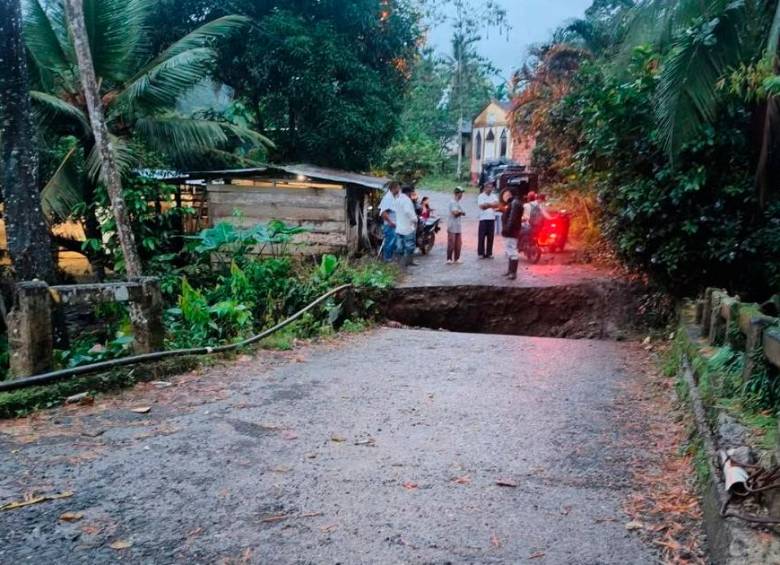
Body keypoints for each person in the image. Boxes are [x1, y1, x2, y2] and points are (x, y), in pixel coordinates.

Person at [501, 184, 525, 280]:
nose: (504, 196)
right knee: (509, 250)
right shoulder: (514, 203)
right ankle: (510, 271)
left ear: (511, 194)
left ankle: (513, 273)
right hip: (511, 230)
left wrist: (507, 229)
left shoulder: (515, 203)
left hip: (511, 231)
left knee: (512, 251)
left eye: (506, 194)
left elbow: (512, 218)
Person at [396, 186, 419, 267]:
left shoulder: (398, 200)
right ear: (408, 192)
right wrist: (415, 220)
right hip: (408, 227)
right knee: (409, 246)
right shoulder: (407, 200)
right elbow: (409, 212)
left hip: (399, 227)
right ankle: (406, 263)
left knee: (400, 246)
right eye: (411, 193)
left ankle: (401, 263)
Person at [477, 181, 500, 258]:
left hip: (491, 218)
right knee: (482, 236)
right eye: (489, 187)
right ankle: (481, 253)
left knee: (491, 237)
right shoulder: (481, 196)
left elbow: (497, 204)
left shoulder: (494, 196)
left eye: (491, 187)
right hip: (483, 219)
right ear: (485, 188)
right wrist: (491, 205)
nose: (490, 189)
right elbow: (482, 206)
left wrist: (488, 205)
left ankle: (489, 253)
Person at [379, 182, 400, 262]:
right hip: (390, 225)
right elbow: (383, 213)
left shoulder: (393, 197)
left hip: (394, 225)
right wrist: (391, 222)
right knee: (390, 242)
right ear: (394, 188)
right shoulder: (388, 198)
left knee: (394, 242)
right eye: (398, 188)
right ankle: (387, 259)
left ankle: (390, 258)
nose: (399, 190)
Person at [446, 187, 466, 264]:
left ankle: (457, 258)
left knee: (458, 243)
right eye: (461, 193)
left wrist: (460, 212)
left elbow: (462, 212)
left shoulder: (458, 202)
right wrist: (460, 212)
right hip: (452, 225)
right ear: (457, 193)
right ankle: (449, 258)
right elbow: (455, 213)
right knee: (451, 243)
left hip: (458, 226)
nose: (462, 195)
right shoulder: (452, 202)